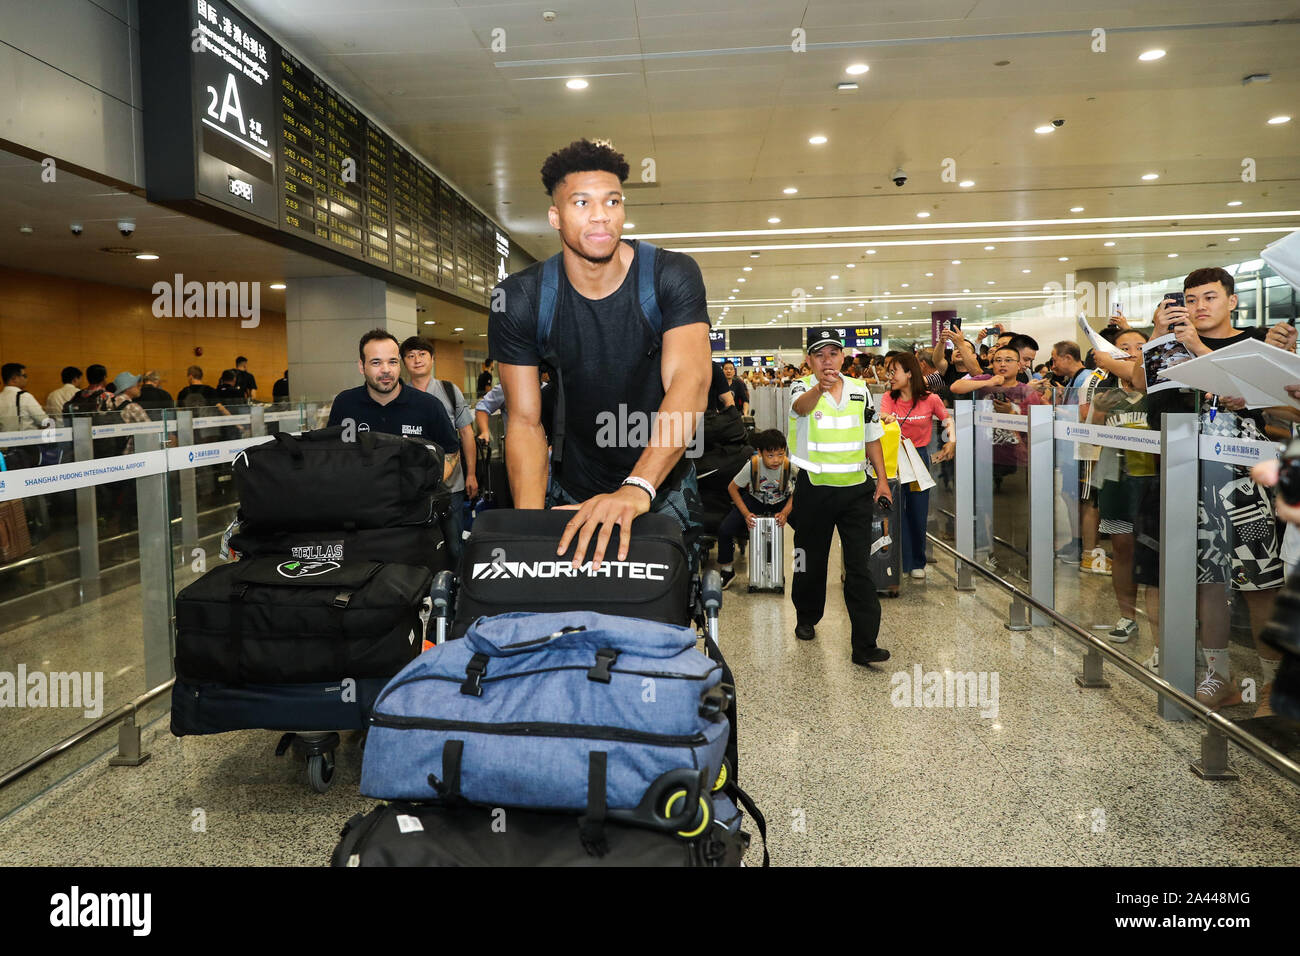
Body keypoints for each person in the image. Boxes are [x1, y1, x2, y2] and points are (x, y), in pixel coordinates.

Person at [488, 138, 711, 569]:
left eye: (612, 201)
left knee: (660, 621)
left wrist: (637, 489)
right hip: (575, 486)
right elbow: (524, 421)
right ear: (555, 216)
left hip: (661, 484)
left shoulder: (670, 275)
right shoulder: (519, 298)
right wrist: (529, 537)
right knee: (564, 620)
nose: (600, 215)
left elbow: (690, 383)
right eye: (582, 202)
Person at [1139, 267, 1297, 714]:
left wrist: (1197, 349)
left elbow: (1283, 407)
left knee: (1258, 583)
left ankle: (1271, 684)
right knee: (1208, 581)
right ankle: (1217, 675)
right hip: (1191, 477)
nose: (1199, 307)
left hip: (1249, 484)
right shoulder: (1173, 348)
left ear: (1232, 300)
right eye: (1190, 299)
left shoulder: (1257, 345)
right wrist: (1161, 339)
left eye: (1209, 297)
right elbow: (1142, 390)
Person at [787, 328, 893, 665]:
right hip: (814, 489)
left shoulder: (862, 391)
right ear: (810, 361)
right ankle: (806, 616)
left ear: (843, 357)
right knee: (809, 559)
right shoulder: (802, 387)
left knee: (859, 567)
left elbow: (872, 434)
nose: (827, 360)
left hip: (855, 491)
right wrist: (821, 387)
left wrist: (882, 480)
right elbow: (800, 410)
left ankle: (865, 645)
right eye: (819, 355)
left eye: (833, 353)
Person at [1087, 329, 1160, 646]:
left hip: (1156, 484)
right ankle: (1127, 616)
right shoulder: (1105, 393)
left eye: (1140, 347)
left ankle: (1170, 619)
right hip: (1116, 481)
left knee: (1158, 551)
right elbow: (1089, 434)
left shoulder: (1160, 391)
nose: (1132, 352)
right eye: (1123, 347)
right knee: (1122, 548)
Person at [401, 335, 478, 564]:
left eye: (422, 354)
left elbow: (466, 433)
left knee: (454, 544)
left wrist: (471, 474)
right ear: (404, 362)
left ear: (432, 359)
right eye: (410, 356)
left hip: (451, 484)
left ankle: (459, 591)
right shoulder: (400, 396)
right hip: (413, 487)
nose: (417, 360)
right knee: (421, 545)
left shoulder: (448, 390)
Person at [879, 351, 954, 580]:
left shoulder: (930, 399)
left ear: (910, 373)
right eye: (889, 371)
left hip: (918, 459)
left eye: (895, 371)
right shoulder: (888, 398)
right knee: (895, 511)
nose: (890, 376)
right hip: (893, 459)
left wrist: (951, 441)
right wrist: (884, 418)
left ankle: (917, 561)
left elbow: (947, 419)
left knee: (918, 511)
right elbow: (880, 416)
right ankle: (901, 560)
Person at [326, 329, 459, 454]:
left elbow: (451, 452)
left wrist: (428, 478)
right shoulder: (345, 403)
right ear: (362, 366)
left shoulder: (429, 406)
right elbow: (330, 451)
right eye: (376, 363)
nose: (386, 370)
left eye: (393, 362)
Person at [715, 429, 794, 589]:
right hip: (755, 499)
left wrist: (785, 512)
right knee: (724, 529)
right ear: (760, 453)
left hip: (781, 501)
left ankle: (802, 569)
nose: (776, 460)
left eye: (780, 454)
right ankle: (727, 570)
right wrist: (745, 514)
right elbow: (732, 488)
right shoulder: (752, 465)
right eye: (770, 455)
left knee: (806, 529)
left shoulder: (789, 466)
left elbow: (798, 493)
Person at [1, 362, 53, 471]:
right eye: (24, 376)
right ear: (14, 378)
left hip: (4, 451)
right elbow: (45, 421)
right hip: (26, 449)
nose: (26, 379)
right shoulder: (25, 396)